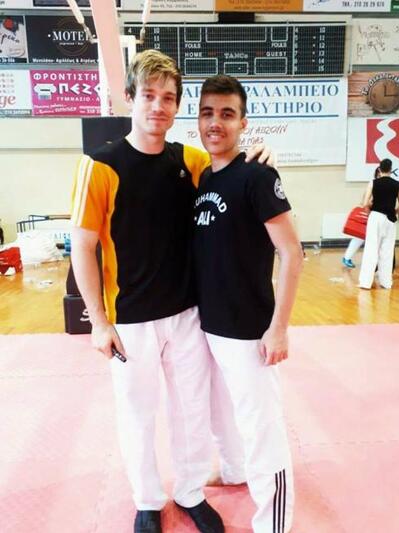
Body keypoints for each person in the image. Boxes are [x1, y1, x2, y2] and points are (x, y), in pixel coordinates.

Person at [70, 50, 274, 533]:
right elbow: (82, 246)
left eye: (168, 98)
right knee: (137, 415)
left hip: (186, 315)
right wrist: (99, 322)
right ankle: (147, 499)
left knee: (191, 412)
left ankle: (189, 492)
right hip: (130, 321)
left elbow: (232, 167)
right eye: (149, 95)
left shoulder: (191, 160)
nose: (158, 107)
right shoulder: (99, 165)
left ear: (177, 106)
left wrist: (262, 157)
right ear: (130, 98)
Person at [193, 75, 303, 532]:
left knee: (262, 427)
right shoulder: (203, 177)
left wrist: (279, 327)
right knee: (222, 414)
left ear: (243, 122)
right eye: (207, 113)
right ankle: (235, 470)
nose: (215, 123)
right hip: (209, 324)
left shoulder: (258, 176)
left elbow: (292, 253)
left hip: (248, 329)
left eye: (227, 114)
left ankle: (274, 522)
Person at [359, 158, 399, 289]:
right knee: (387, 251)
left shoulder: (373, 182)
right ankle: (386, 282)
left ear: (379, 169)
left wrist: (369, 210)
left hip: (376, 217)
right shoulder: (397, 184)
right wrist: (395, 211)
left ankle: (365, 282)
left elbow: (365, 203)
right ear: (391, 169)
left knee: (371, 249)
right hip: (390, 220)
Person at [342, 167, 379, 269]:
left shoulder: (375, 184)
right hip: (369, 214)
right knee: (360, 237)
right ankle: (347, 257)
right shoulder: (373, 184)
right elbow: (366, 202)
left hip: (372, 214)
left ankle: (347, 257)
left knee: (361, 238)